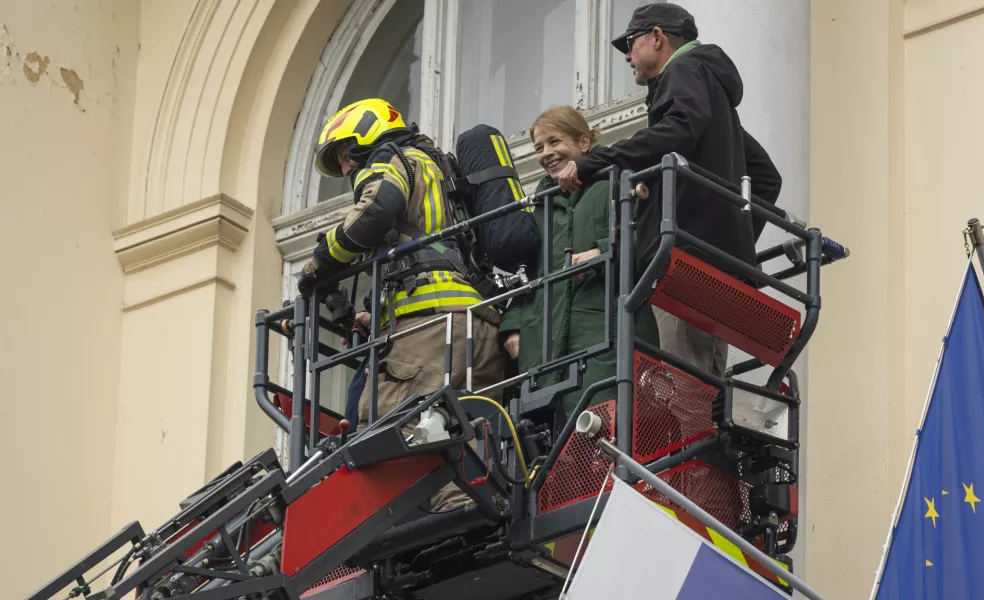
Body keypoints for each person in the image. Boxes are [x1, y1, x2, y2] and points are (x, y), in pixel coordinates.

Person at [297, 98, 505, 511]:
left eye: (343, 155)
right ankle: (474, 505)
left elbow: (375, 212)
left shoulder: (387, 160)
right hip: (481, 322)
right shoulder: (440, 169)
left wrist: (318, 264)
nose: (345, 169)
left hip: (430, 326)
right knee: (464, 431)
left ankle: (446, 516)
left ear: (365, 138)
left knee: (388, 423)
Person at [554, 3, 782, 378]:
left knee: (685, 384)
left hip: (683, 261)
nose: (627, 56)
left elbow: (678, 128)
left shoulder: (683, 71)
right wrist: (730, 242)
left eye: (630, 43)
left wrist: (592, 162)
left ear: (657, 37)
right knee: (705, 379)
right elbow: (765, 176)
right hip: (710, 264)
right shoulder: (709, 89)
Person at [499, 106, 660, 418]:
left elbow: (649, 238)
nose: (546, 153)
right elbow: (529, 274)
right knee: (556, 451)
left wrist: (602, 251)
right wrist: (513, 325)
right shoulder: (541, 206)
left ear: (584, 142)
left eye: (554, 141)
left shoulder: (617, 180)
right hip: (547, 353)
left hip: (606, 334)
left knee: (606, 432)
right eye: (538, 148)